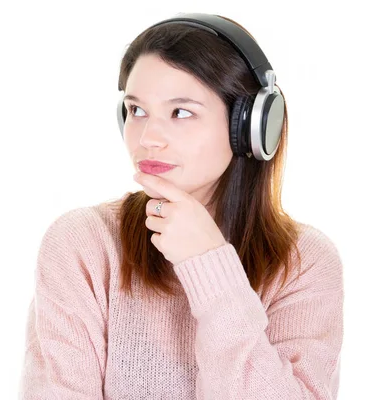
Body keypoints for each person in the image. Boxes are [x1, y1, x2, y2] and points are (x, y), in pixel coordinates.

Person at [18, 13, 344, 400]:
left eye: (181, 112)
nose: (149, 138)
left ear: (250, 128)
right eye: (137, 110)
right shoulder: (83, 244)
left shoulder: (304, 262)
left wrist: (209, 266)